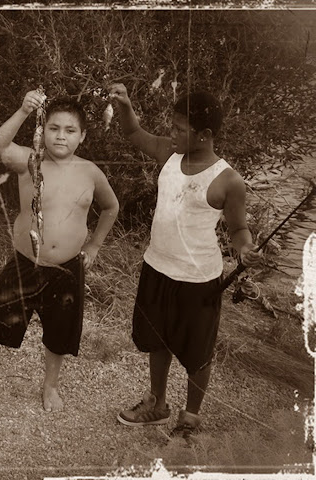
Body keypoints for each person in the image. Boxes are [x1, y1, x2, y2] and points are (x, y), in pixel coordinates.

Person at [0, 91, 119, 412]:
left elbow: (111, 207)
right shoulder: (30, 161)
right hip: (25, 262)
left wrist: (94, 245)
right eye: (54, 128)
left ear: (82, 136)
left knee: (60, 331)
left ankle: (50, 385)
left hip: (67, 268)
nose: (61, 136)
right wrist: (24, 110)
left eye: (70, 130)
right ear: (42, 130)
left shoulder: (91, 172)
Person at [108, 83, 263, 438]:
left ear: (204, 135)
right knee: (157, 339)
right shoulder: (169, 153)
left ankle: (190, 417)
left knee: (198, 353)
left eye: (180, 129)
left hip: (198, 279)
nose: (172, 133)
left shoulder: (228, 181)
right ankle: (157, 403)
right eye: (173, 126)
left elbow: (238, 229)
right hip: (157, 267)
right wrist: (126, 105)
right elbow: (133, 132)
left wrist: (245, 250)